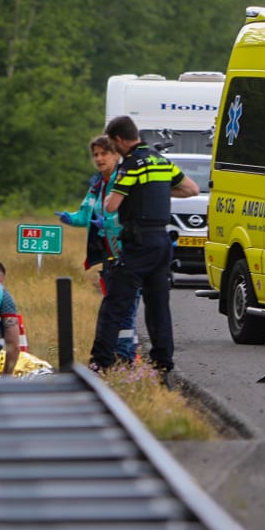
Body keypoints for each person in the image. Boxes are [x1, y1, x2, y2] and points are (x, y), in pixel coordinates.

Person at [90, 115, 197, 374]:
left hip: (138, 243)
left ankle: (101, 362)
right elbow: (191, 189)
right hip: (162, 242)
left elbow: (111, 205)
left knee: (115, 302)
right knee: (158, 306)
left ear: (118, 140)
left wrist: (131, 191)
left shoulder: (132, 165)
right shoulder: (161, 161)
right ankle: (162, 364)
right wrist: (155, 191)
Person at [56, 135, 136, 363]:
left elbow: (128, 215)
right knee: (113, 307)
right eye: (96, 155)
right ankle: (119, 356)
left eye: (104, 154)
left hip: (128, 252)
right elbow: (85, 215)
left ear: (115, 155)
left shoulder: (123, 180)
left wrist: (109, 223)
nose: (99, 159)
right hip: (109, 255)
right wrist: (69, 218)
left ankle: (126, 357)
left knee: (126, 310)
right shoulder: (97, 185)